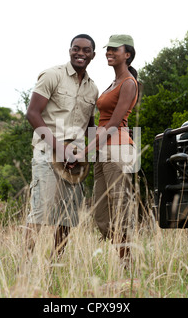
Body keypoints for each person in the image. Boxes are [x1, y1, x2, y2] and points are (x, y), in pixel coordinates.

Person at [25, 34, 98, 259]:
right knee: (40, 212)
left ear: (92, 56)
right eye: (76, 49)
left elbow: (90, 126)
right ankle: (24, 266)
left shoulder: (93, 89)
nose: (80, 53)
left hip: (75, 161)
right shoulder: (52, 75)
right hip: (47, 153)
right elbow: (32, 113)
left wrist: (91, 153)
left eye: (86, 51)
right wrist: (59, 148)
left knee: (68, 217)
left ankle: (55, 264)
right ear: (69, 51)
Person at [74, 34, 140, 268]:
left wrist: (86, 151)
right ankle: (126, 259)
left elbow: (113, 124)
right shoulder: (112, 83)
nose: (109, 53)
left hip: (119, 150)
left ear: (127, 54)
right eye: (107, 49)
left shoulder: (129, 83)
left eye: (115, 49)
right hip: (102, 152)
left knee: (120, 209)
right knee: (101, 215)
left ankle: (128, 267)